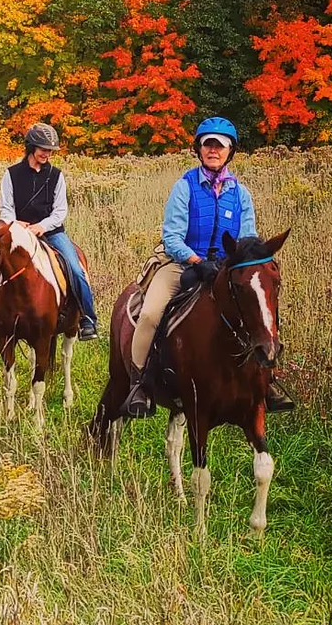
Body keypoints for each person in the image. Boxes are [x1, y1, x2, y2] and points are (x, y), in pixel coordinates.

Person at [121, 116, 294, 418]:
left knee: (259, 313)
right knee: (150, 313)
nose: (213, 151)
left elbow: (248, 237)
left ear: (230, 151)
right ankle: (140, 384)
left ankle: (268, 382)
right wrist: (196, 261)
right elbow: (172, 236)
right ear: (199, 150)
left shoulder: (241, 194)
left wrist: (237, 264)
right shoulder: (184, 187)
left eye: (220, 146)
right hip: (182, 263)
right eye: (207, 145)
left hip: (227, 269)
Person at [0, 122, 98, 340]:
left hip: (51, 232)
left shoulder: (57, 176)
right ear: (31, 147)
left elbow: (60, 211)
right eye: (43, 149)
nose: (47, 154)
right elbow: (6, 208)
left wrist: (41, 227)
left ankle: (88, 319)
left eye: (50, 150)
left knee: (75, 269)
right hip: (18, 232)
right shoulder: (11, 175)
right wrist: (17, 225)